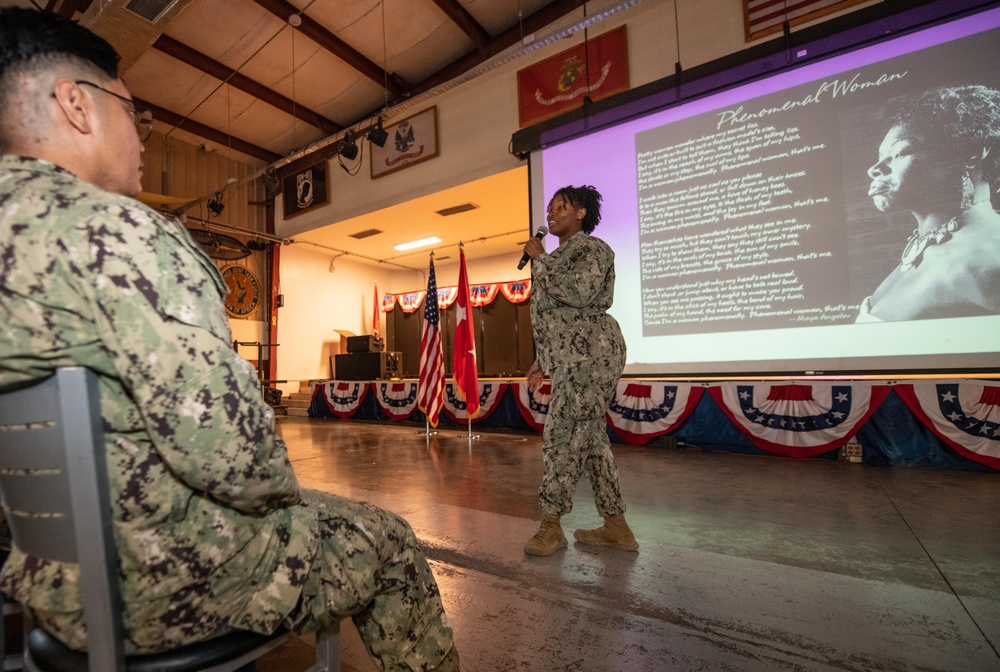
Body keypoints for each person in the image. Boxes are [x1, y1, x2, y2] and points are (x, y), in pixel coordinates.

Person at [0, 9, 458, 670]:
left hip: (40, 579)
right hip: (160, 589)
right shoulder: (120, 234)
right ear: (77, 104)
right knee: (390, 540)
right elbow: (240, 466)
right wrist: (278, 489)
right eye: (135, 114)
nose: (142, 137)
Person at [520, 185, 638, 557]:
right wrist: (543, 359)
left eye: (561, 207)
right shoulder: (553, 257)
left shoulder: (593, 249)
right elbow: (549, 315)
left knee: (561, 435)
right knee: (591, 444)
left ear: (581, 213)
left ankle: (551, 525)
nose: (551, 213)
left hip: (593, 356)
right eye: (550, 207)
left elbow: (579, 293)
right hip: (570, 358)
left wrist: (541, 260)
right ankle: (617, 528)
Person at [857, 84, 1000, 322]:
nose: (874, 170)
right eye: (880, 158)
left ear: (971, 154)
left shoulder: (987, 260)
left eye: (900, 153)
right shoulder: (925, 248)